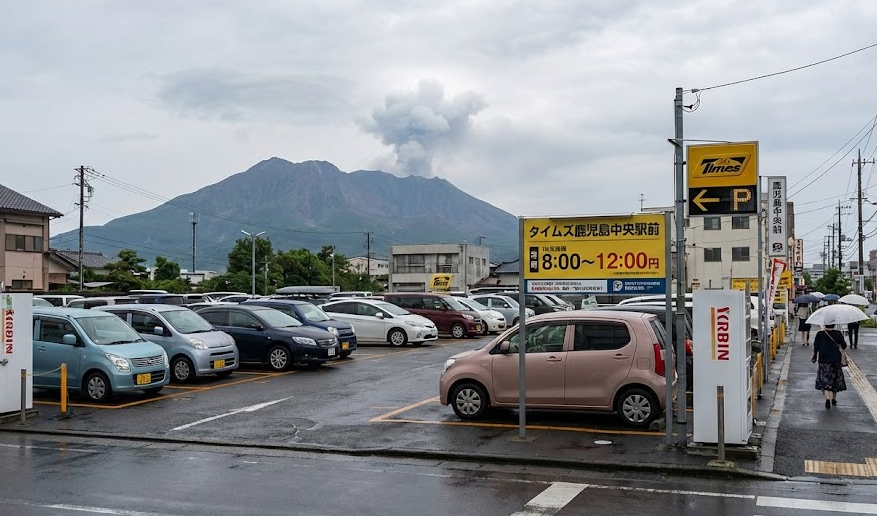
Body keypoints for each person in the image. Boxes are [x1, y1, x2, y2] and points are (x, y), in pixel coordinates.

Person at [811, 318, 847, 409]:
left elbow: (816, 347)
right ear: (834, 325)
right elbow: (844, 345)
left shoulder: (820, 334)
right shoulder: (838, 333)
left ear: (824, 325)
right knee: (835, 379)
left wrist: (815, 356)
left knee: (825, 380)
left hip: (824, 360)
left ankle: (827, 399)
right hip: (836, 360)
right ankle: (834, 399)